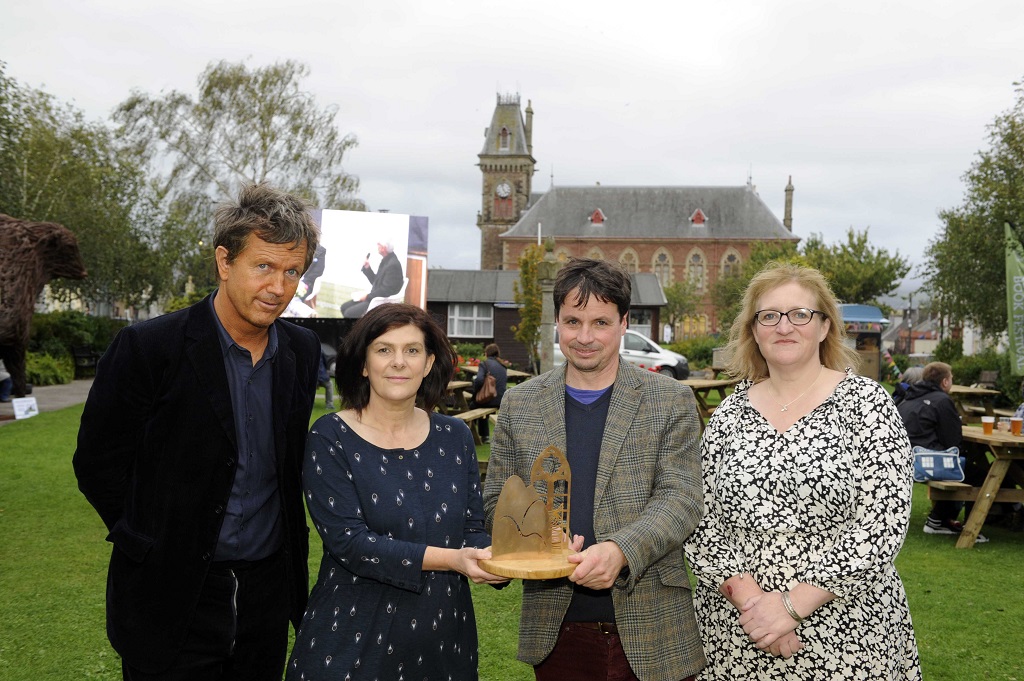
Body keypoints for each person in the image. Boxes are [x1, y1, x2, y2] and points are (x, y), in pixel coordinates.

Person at [73, 183, 323, 681]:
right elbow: (98, 463)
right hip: (170, 593)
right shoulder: (149, 347)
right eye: (263, 267)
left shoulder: (302, 350)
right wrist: (145, 540)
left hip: (267, 595)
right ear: (224, 262)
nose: (278, 286)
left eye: (292, 271)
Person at [684, 262, 921, 679]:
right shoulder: (728, 416)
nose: (784, 326)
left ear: (825, 326)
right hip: (740, 632)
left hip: (847, 631)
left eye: (800, 314)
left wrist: (791, 606)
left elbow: (881, 522)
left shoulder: (866, 405)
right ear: (753, 330)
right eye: (769, 316)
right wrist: (754, 605)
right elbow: (698, 518)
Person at [483, 257, 706, 681]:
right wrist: (537, 536)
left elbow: (681, 498)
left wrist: (622, 549)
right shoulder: (521, 403)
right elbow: (498, 498)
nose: (585, 337)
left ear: (624, 323)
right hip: (558, 628)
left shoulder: (669, 400)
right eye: (573, 322)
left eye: (600, 323)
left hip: (653, 624)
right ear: (557, 323)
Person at [286, 303, 506, 680]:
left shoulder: (454, 437)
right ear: (363, 364)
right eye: (384, 350)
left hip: (442, 642)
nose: (399, 362)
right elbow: (351, 544)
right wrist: (453, 560)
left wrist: (513, 556)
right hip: (353, 642)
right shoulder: (330, 437)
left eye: (412, 350)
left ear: (429, 362)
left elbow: (471, 528)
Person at [896, 361, 984, 541]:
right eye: (951, 378)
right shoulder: (942, 400)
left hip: (903, 459)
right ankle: (949, 523)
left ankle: (941, 519)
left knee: (962, 467)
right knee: (979, 475)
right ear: (945, 382)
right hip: (925, 462)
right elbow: (953, 442)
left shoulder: (909, 396)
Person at [340, 240, 404, 318]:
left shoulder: (392, 265)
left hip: (379, 303)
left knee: (349, 314)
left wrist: (367, 296)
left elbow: (385, 291)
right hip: (375, 298)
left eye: (379, 244)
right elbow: (376, 282)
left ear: (384, 248)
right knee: (344, 307)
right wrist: (367, 268)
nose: (377, 244)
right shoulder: (387, 261)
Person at [470, 342, 507, 443]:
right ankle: (484, 436)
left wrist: (475, 393)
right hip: (500, 400)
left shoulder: (484, 364)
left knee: (474, 404)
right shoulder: (503, 365)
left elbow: (479, 380)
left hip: (489, 398)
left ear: (487, 353)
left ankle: (470, 434)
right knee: (481, 406)